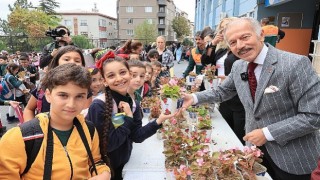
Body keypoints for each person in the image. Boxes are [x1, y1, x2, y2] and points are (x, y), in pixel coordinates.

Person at [180, 17, 320, 180]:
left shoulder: (295, 64)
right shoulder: (239, 66)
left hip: (293, 160)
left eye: (245, 37)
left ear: (261, 35)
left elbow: (314, 116)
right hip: (255, 154)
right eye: (233, 42)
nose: (240, 45)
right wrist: (194, 97)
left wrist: (267, 133)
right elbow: (222, 91)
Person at [0, 63, 111, 179]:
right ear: (48, 95)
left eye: (79, 96)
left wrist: (104, 173)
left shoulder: (88, 129)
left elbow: (95, 161)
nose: (71, 104)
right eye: (63, 95)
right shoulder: (21, 137)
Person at [87, 51, 176, 180]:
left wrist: (159, 120)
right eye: (111, 75)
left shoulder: (132, 103)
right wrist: (127, 118)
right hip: (104, 171)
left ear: (129, 74)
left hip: (123, 164)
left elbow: (136, 135)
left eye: (122, 72)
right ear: (104, 81)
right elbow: (109, 145)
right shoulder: (98, 106)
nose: (119, 78)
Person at [201, 18, 246, 144]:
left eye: (227, 27)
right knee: (224, 131)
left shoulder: (241, 49)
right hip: (223, 95)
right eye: (222, 28)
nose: (224, 30)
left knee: (238, 135)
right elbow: (206, 60)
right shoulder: (222, 50)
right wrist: (213, 43)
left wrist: (232, 79)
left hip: (239, 97)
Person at [23, 46, 86, 121]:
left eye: (77, 60)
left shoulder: (84, 88)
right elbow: (29, 109)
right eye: (66, 59)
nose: (72, 62)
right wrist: (32, 130)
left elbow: (84, 115)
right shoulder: (44, 85)